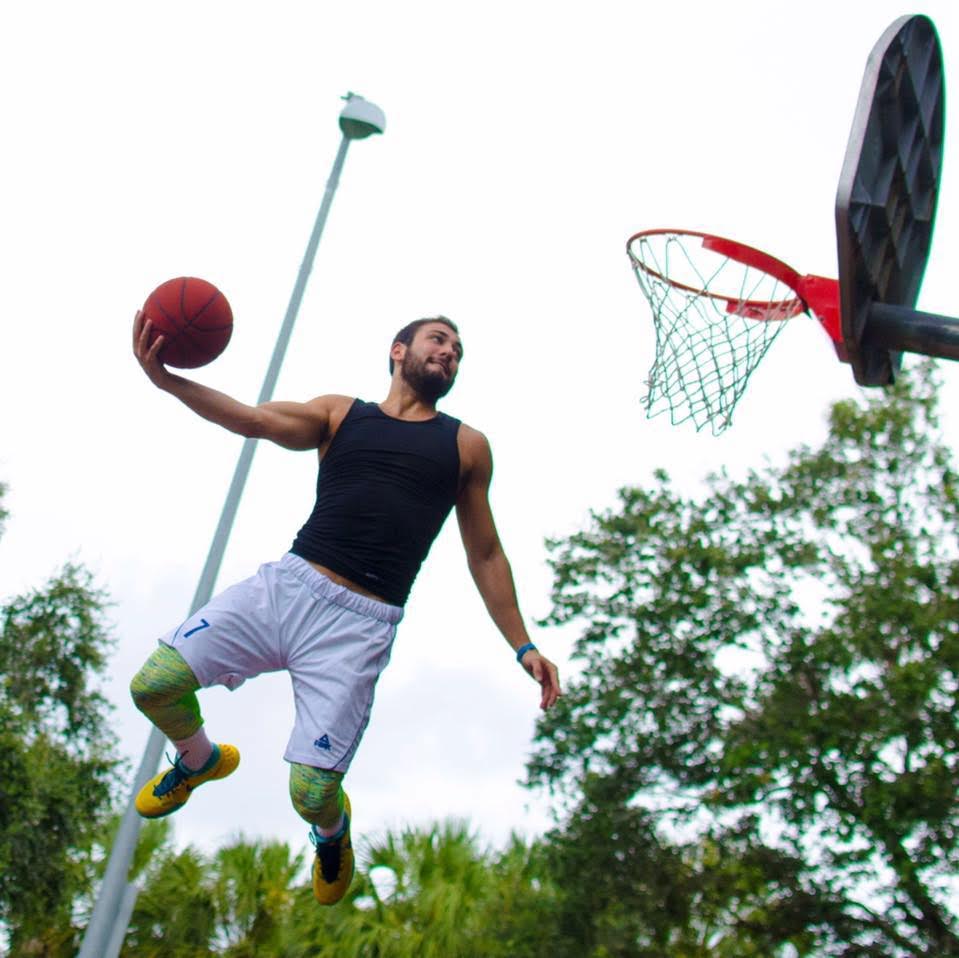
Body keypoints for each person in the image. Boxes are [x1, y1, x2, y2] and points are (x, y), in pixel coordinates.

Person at [129, 310, 561, 906]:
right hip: (288, 587)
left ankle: (331, 833)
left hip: (359, 625)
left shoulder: (466, 447)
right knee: (154, 686)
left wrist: (525, 645)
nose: (450, 353)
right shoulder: (339, 413)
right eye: (439, 341)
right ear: (398, 350)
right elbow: (253, 420)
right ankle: (197, 760)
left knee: (310, 791)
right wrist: (169, 381)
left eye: (458, 350)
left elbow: (485, 554)